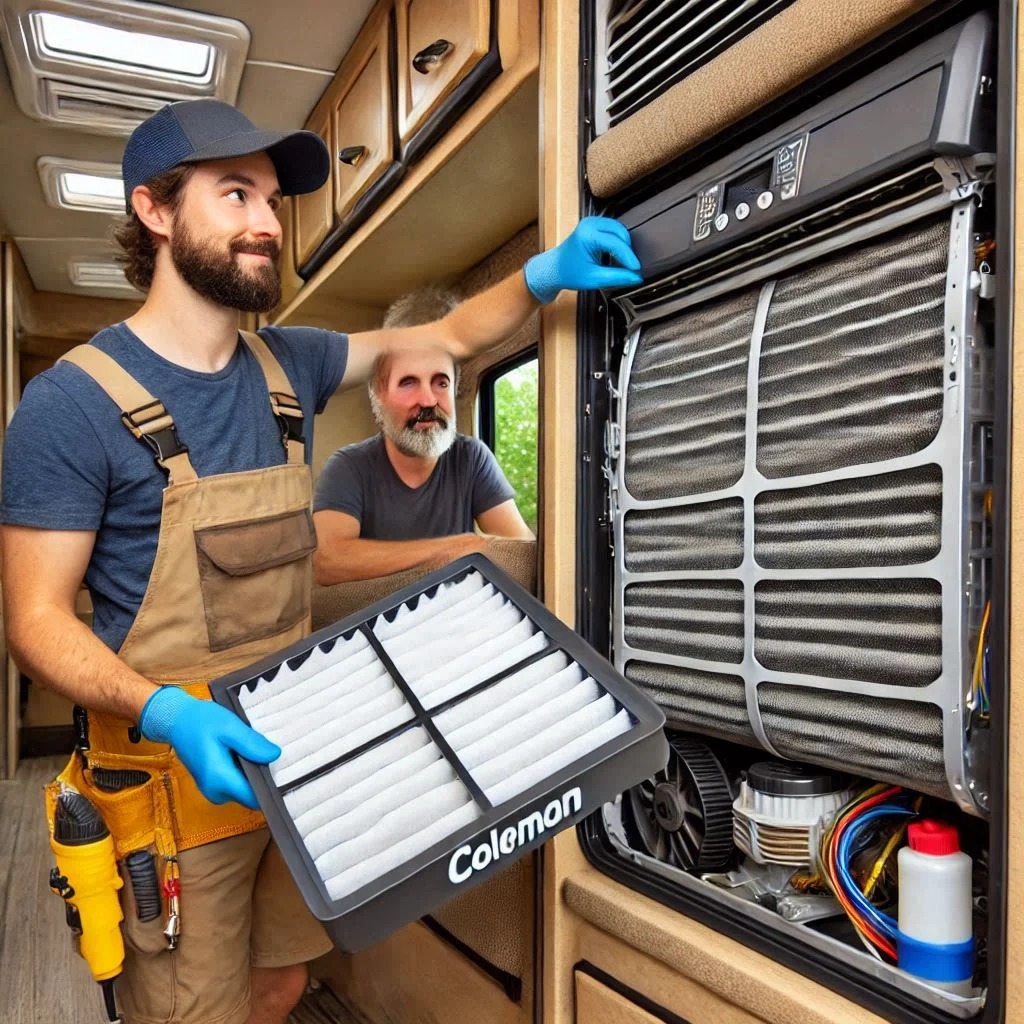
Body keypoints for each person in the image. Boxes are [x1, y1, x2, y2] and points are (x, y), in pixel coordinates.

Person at [0, 97, 642, 1024]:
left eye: (271, 199)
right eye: (234, 195)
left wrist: (544, 275)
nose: (267, 223)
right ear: (154, 210)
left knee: (285, 981)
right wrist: (166, 711)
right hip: (172, 790)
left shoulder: (287, 364)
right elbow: (34, 621)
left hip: (295, 769)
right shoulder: (71, 405)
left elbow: (450, 339)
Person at [313, 287, 532, 586]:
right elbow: (327, 562)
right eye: (408, 383)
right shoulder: (348, 467)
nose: (428, 400)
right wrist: (456, 549)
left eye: (440, 382)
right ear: (379, 393)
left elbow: (521, 555)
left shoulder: (471, 458)